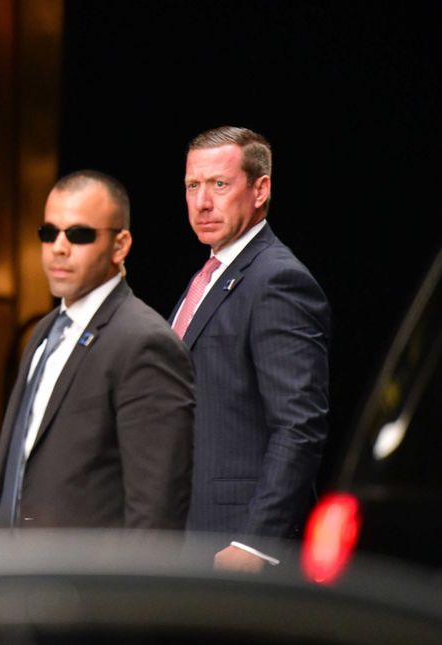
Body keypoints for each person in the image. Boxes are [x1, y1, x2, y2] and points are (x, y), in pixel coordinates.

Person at [0, 171, 195, 529]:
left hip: (90, 581)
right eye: (48, 233)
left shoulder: (144, 342)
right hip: (15, 575)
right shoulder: (44, 330)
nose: (59, 247)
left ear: (121, 245)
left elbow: (157, 509)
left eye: (79, 234)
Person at [171, 126, 330, 571]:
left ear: (260, 189)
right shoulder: (210, 275)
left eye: (219, 184)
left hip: (235, 544)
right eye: (192, 186)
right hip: (189, 534)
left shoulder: (278, 280)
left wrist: (256, 542)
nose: (203, 202)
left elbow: (299, 425)